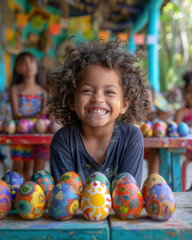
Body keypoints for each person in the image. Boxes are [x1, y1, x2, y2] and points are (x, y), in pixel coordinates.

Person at [48, 39, 151, 188]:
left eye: (109, 92)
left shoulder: (131, 138)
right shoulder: (63, 140)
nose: (98, 98)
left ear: (124, 105)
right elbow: (65, 199)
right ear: (71, 101)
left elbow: (128, 197)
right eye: (87, 90)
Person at [9, 52, 50, 180]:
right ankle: (14, 196)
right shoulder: (15, 89)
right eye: (23, 62)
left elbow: (46, 116)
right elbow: (16, 116)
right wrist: (39, 114)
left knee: (31, 172)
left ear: (37, 66)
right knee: (16, 171)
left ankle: (28, 197)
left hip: (37, 136)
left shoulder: (43, 92)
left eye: (31, 61)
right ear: (17, 68)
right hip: (20, 134)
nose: (28, 65)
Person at [144, 87, 174, 175]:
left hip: (151, 149)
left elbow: (170, 111)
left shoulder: (155, 116)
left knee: (156, 150)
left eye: (148, 99)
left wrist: (156, 109)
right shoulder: (134, 116)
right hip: (136, 148)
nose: (145, 101)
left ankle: (152, 177)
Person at [174, 71, 192, 191]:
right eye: (190, 92)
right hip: (185, 149)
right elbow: (175, 131)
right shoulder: (182, 112)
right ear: (183, 94)